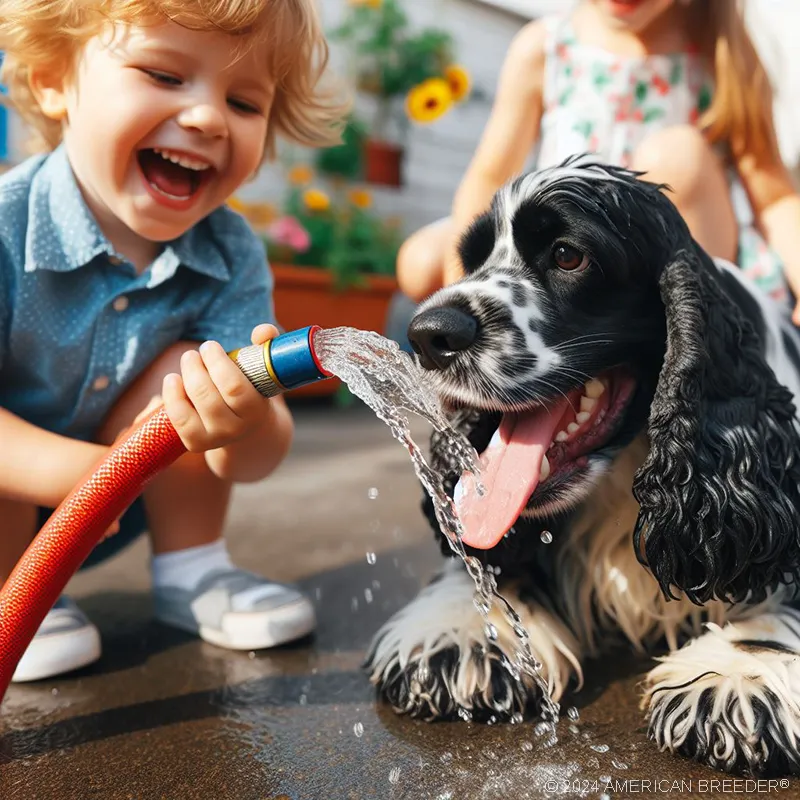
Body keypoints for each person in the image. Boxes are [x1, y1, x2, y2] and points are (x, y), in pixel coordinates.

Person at [0, 0, 346, 682]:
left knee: (197, 373)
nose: (209, 118)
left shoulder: (229, 252)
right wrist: (84, 478)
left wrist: (243, 420)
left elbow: (258, 456)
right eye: (162, 75)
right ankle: (13, 592)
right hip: (40, 486)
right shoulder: (8, 229)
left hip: (111, 500)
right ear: (51, 80)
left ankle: (193, 570)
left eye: (244, 103)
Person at [397, 0, 800, 321]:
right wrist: (463, 285)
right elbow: (490, 175)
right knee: (423, 261)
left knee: (677, 155)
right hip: (572, 257)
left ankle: (691, 332)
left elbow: (774, 197)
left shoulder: (722, 54)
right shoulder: (545, 46)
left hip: (678, 258)